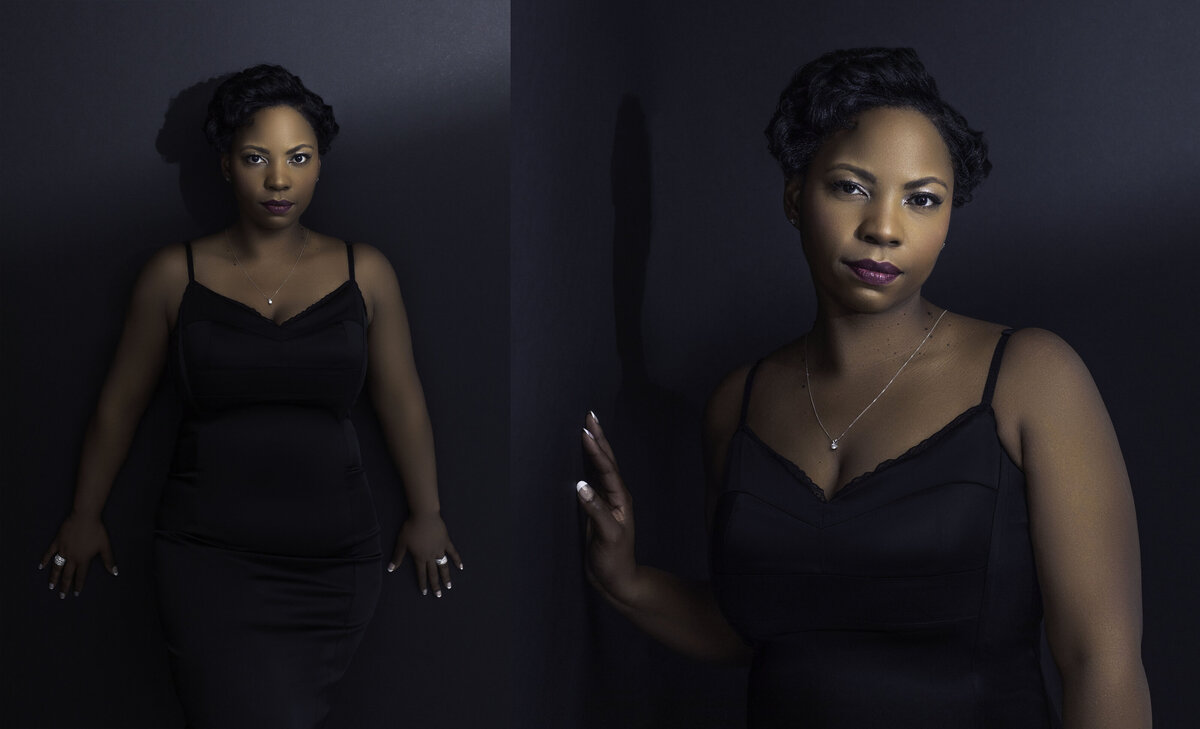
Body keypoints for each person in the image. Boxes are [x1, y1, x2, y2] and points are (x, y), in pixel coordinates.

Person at [575, 48, 1151, 728]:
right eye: (851, 187)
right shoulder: (739, 405)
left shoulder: (1031, 379)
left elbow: (1101, 662)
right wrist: (630, 582)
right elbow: (761, 627)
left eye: (922, 199)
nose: (883, 227)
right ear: (795, 195)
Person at [38, 64, 463, 727]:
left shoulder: (367, 271)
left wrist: (427, 511)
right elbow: (118, 406)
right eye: (255, 157)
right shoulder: (171, 275)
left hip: (333, 562)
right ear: (225, 164)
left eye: (299, 157)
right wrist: (84, 513)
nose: (278, 179)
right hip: (207, 562)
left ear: (320, 164)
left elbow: (402, 399)